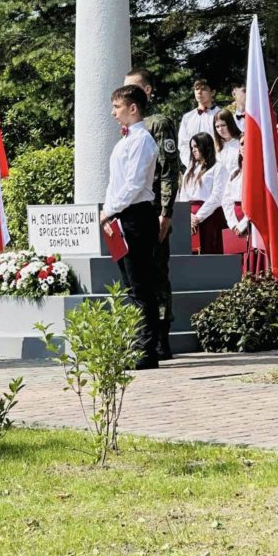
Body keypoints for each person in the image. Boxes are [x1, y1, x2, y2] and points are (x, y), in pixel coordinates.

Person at [100, 84, 160, 370]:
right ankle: (137, 343)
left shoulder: (143, 140)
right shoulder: (124, 140)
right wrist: (109, 210)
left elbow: (135, 184)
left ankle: (147, 350)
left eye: (117, 107)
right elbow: (117, 182)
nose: (113, 113)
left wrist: (110, 209)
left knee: (141, 285)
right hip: (121, 215)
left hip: (136, 215)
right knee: (130, 286)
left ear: (133, 108)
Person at [123, 68, 180, 359]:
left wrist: (166, 211)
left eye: (132, 88)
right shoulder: (130, 127)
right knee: (140, 276)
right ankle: (144, 333)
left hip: (154, 208)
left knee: (157, 272)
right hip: (134, 211)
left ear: (146, 91)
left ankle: (161, 336)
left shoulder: (157, 124)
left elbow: (169, 171)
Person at [221, 135, 266, 275]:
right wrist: (233, 223)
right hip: (235, 217)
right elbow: (226, 200)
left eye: (248, 143)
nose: (244, 146)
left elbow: (259, 199)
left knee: (251, 258)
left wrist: (243, 224)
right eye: (241, 144)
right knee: (235, 258)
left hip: (251, 220)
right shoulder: (234, 173)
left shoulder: (261, 170)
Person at [178, 132, 228, 253]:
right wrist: (187, 215)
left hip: (209, 216)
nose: (193, 150)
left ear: (205, 146)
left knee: (209, 249)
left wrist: (198, 217)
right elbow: (183, 194)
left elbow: (217, 196)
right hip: (190, 218)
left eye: (196, 146)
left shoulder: (218, 168)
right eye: (192, 147)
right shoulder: (190, 169)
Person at [178, 79, 222, 169]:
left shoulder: (221, 115)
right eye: (196, 89)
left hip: (217, 166)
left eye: (204, 89)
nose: (199, 92)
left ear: (213, 92)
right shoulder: (187, 118)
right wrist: (191, 164)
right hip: (193, 167)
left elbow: (226, 142)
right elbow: (183, 144)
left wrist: (216, 163)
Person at [213, 109, 242, 174]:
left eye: (223, 125)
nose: (220, 129)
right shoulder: (216, 146)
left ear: (230, 124)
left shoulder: (241, 142)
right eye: (217, 127)